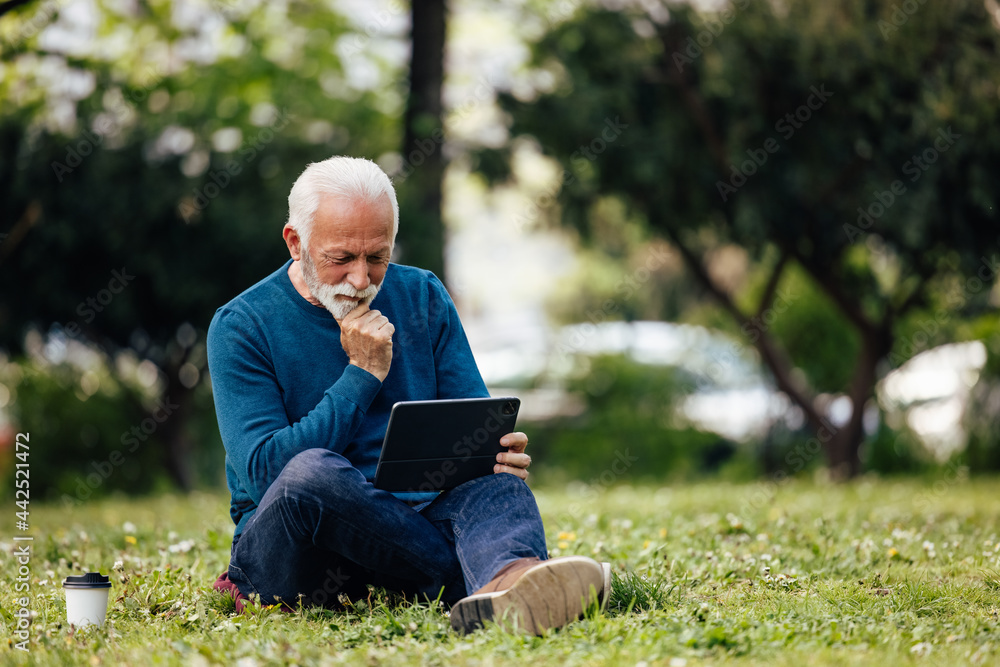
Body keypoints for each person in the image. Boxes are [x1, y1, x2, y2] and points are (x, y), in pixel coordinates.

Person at [207, 155, 607, 635]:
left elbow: (472, 424)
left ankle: (509, 583)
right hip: (299, 555)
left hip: (408, 534)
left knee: (496, 483)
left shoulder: (421, 295)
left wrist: (494, 454)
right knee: (311, 474)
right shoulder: (241, 325)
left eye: (378, 257)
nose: (361, 280)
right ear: (296, 242)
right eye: (341, 259)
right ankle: (484, 579)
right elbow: (265, 477)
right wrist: (363, 373)